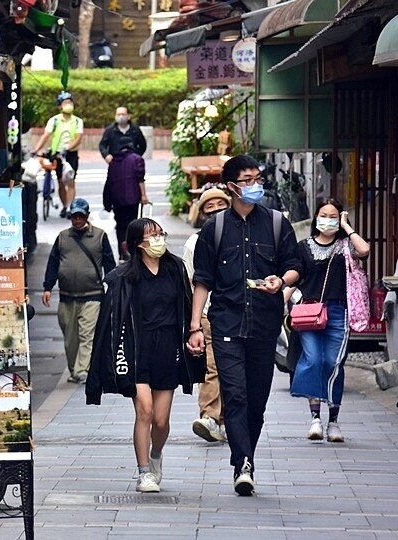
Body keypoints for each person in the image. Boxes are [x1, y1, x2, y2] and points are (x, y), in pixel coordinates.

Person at [188, 154, 301, 496]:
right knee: (234, 395)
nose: (255, 186)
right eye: (247, 180)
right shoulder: (215, 228)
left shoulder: (278, 223)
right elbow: (203, 280)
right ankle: (243, 464)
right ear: (231, 185)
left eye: (258, 179)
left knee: (256, 401)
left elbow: (295, 266)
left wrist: (280, 281)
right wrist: (194, 325)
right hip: (225, 324)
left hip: (265, 327)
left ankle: (245, 454)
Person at [86, 218, 205, 493]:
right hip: (136, 351)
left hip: (167, 350)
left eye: (160, 234)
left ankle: (155, 455)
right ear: (138, 242)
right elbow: (110, 321)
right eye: (152, 235)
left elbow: (187, 305)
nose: (158, 239)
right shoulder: (123, 277)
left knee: (161, 421)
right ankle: (143, 474)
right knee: (145, 411)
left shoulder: (174, 268)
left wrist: (192, 334)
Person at [284, 199, 370, 443]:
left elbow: (364, 251)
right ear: (316, 217)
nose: (328, 220)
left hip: (338, 311)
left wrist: (346, 226)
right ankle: (315, 419)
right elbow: (295, 278)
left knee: (333, 363)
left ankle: (333, 421)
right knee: (314, 359)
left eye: (334, 216)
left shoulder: (345, 246)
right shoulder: (303, 247)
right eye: (324, 215)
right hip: (307, 313)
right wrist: (279, 299)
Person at [42, 198, 115, 384]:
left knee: (87, 335)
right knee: (70, 339)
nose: (77, 220)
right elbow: (53, 263)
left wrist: (113, 287)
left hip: (92, 295)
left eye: (80, 216)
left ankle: (83, 370)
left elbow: (109, 263)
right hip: (67, 296)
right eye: (74, 216)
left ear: (87, 216)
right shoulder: (63, 237)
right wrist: (47, 287)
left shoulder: (99, 236)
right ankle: (75, 370)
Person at [182, 188, 231, 443]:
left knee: (232, 369)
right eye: (209, 208)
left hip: (237, 314)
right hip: (207, 313)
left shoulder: (240, 239)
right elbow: (190, 281)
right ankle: (210, 416)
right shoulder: (195, 242)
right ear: (202, 213)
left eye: (220, 206)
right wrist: (194, 321)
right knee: (211, 367)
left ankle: (225, 420)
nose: (215, 211)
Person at [33, 91, 83, 217]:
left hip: (70, 154)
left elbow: (78, 138)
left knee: (71, 181)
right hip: (57, 155)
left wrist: (67, 148)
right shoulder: (54, 120)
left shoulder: (78, 121)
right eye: (65, 103)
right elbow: (46, 136)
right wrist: (36, 150)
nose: (68, 105)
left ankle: (70, 208)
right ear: (60, 106)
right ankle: (65, 205)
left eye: (70, 102)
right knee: (61, 181)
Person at [102, 137, 147, 259]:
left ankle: (122, 253)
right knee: (132, 224)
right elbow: (140, 178)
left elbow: (109, 182)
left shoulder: (113, 162)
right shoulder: (137, 159)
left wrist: (107, 202)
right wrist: (143, 195)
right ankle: (131, 252)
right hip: (132, 199)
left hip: (117, 200)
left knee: (120, 225)